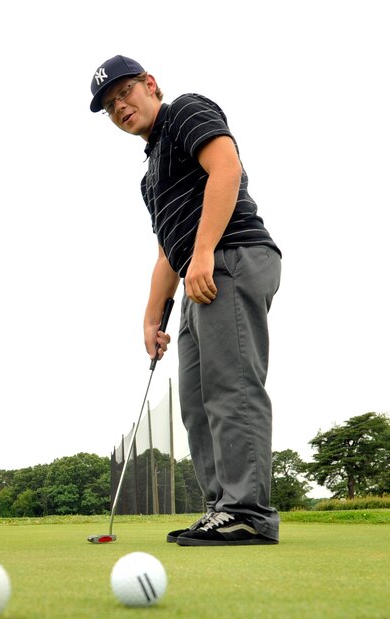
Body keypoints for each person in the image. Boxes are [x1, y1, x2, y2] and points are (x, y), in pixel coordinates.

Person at [90, 56, 282, 546]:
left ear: (150, 85)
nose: (120, 107)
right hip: (200, 271)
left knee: (231, 387)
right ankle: (223, 507)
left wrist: (202, 254)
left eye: (125, 93)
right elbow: (164, 253)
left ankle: (248, 512)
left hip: (230, 258)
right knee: (197, 402)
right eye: (111, 106)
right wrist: (151, 319)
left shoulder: (185, 112)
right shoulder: (149, 174)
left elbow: (226, 169)